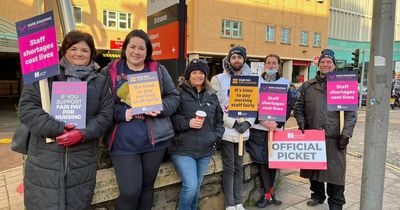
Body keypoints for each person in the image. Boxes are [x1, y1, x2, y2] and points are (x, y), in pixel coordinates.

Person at [18, 31, 114, 209]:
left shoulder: (100, 82)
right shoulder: (44, 77)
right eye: (73, 48)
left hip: (82, 160)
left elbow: (106, 116)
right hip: (45, 160)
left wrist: (82, 133)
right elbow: (27, 109)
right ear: (64, 51)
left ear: (92, 53)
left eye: (85, 50)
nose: (79, 53)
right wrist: (58, 129)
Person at [102, 29, 179, 210]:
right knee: (129, 191)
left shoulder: (157, 69)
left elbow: (174, 98)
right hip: (123, 142)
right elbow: (101, 104)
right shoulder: (111, 70)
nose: (137, 52)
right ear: (125, 48)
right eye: (133, 47)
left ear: (147, 51)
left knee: (146, 188)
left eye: (141, 48)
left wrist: (160, 108)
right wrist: (121, 113)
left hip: (154, 142)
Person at [293, 49, 357, 210]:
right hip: (312, 136)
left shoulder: (342, 85)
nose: (325, 64)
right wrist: (300, 120)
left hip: (335, 138)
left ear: (334, 65)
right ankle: (317, 195)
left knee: (335, 175)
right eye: (323, 62)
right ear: (318, 64)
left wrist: (346, 134)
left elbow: (351, 113)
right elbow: (298, 107)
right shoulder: (307, 86)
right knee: (313, 172)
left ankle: (336, 203)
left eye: (329, 62)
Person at [169, 59, 225, 210]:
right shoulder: (178, 93)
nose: (198, 75)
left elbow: (219, 121)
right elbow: (170, 118)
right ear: (188, 75)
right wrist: (188, 123)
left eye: (201, 73)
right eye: (194, 72)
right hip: (182, 149)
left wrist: (215, 137)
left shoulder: (212, 95)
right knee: (191, 186)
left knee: (197, 186)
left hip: (205, 150)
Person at [246, 54, 298, 208]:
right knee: (262, 162)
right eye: (268, 63)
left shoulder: (285, 83)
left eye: (274, 63)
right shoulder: (256, 82)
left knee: (274, 163)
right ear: (264, 65)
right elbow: (249, 102)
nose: (271, 65)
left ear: (279, 65)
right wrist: (261, 120)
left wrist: (278, 122)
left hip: (275, 129)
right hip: (258, 129)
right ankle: (267, 195)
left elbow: (288, 106)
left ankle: (271, 192)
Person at [211, 46, 255, 210]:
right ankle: (230, 203)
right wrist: (233, 123)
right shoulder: (219, 79)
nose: (236, 60)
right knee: (229, 168)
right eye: (233, 57)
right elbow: (216, 107)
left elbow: (253, 104)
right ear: (229, 60)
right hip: (227, 131)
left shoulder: (250, 79)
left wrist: (248, 123)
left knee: (239, 167)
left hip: (243, 132)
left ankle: (239, 202)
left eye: (239, 57)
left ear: (244, 60)